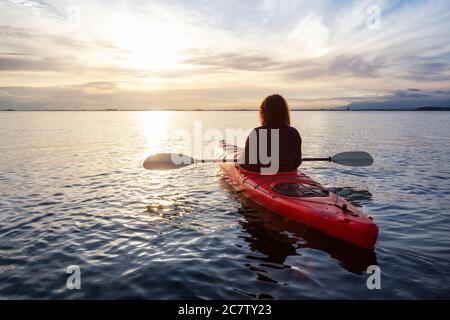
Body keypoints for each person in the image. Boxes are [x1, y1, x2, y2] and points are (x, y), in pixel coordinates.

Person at [240, 94, 302, 174]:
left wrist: (238, 164)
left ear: (264, 112)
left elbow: (247, 164)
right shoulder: (294, 132)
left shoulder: (256, 133)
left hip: (261, 173)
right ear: (285, 112)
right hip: (287, 172)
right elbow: (297, 162)